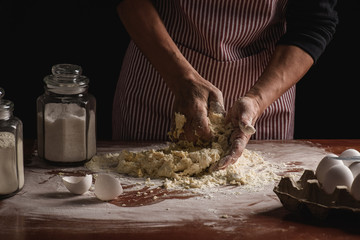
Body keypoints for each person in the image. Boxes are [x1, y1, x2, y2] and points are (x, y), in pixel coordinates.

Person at [112, 0, 338, 170]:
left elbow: (313, 22)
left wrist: (257, 100)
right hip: (159, 79)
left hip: (266, 94)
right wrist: (180, 78)